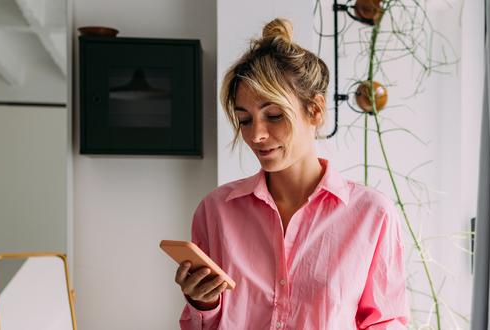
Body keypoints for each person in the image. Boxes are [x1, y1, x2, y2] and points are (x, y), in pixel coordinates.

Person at [174, 17, 409, 329]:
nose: (256, 134)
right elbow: (197, 325)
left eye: (273, 116)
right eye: (245, 120)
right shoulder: (216, 210)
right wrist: (202, 302)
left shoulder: (372, 214)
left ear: (315, 110)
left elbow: (386, 322)